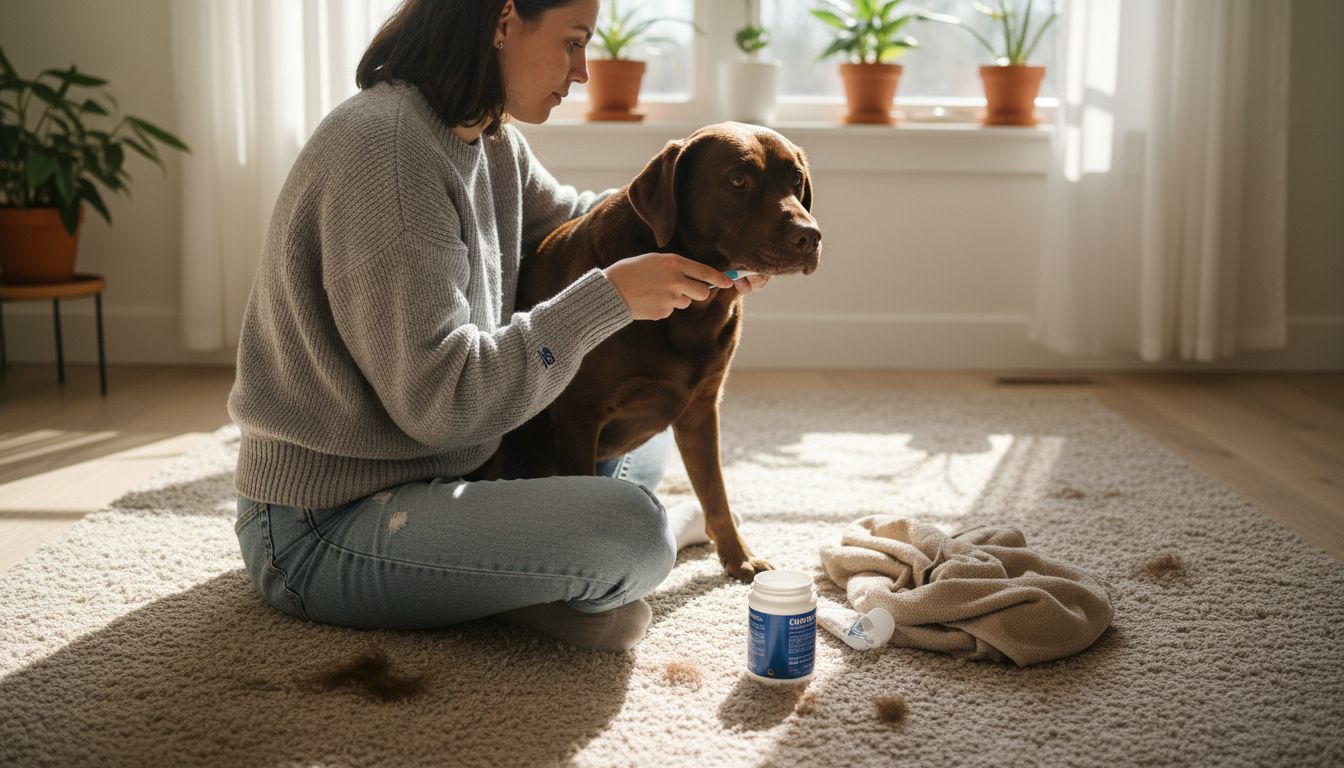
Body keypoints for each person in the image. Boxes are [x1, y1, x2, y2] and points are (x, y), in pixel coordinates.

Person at [227, 0, 769, 652]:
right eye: (573, 42)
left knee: (645, 426)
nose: (584, 72)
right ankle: (581, 561)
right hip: (325, 522)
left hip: (456, 474)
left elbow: (576, 215)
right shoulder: (388, 154)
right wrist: (607, 298)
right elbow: (443, 404)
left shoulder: (485, 137)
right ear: (504, 20)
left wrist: (707, 231)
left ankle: (527, 573)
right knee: (630, 529)